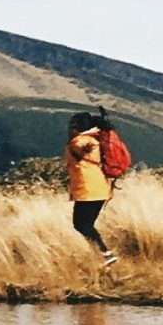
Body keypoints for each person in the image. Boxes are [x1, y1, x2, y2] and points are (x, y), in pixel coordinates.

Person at [64, 110, 114, 264]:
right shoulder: (93, 140)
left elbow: (78, 146)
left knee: (81, 224)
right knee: (85, 225)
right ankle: (103, 256)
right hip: (97, 189)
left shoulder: (84, 141)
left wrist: (82, 135)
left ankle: (104, 254)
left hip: (89, 190)